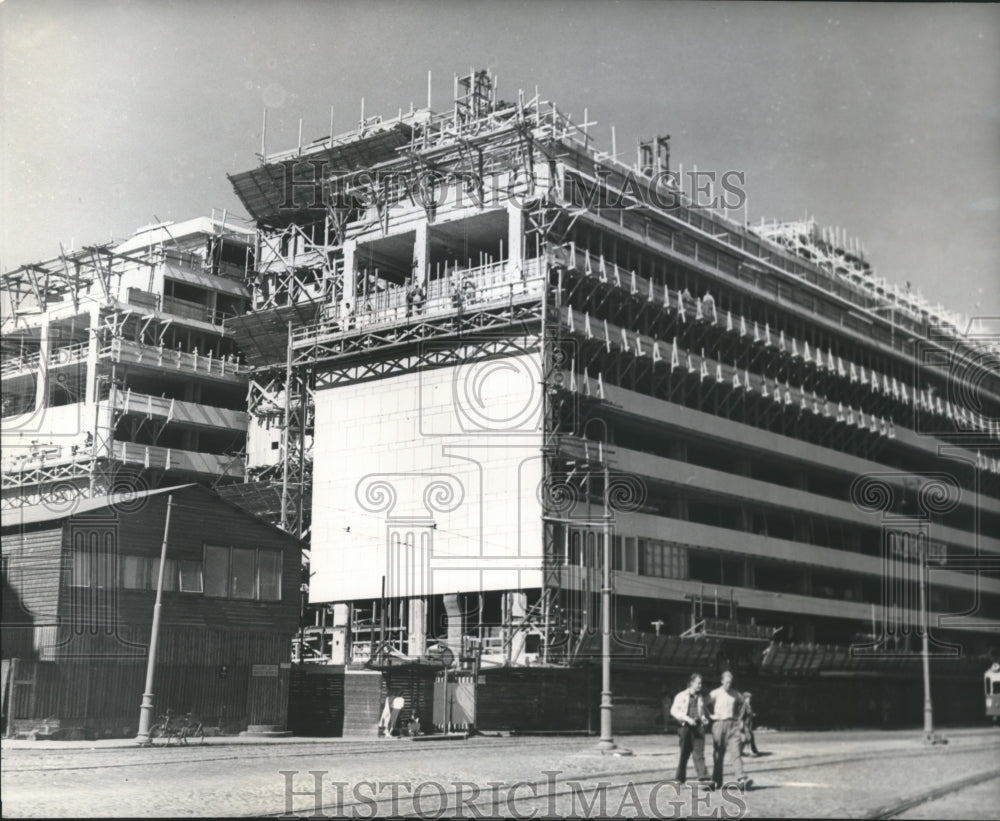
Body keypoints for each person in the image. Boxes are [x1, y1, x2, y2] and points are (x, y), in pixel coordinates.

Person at [707, 671, 752, 793]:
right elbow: (703, 704)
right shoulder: (714, 693)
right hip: (719, 725)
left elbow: (744, 705)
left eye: (730, 682)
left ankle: (741, 778)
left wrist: (740, 718)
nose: (728, 684)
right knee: (718, 753)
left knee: (736, 752)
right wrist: (710, 716)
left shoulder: (736, 694)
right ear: (721, 681)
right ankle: (717, 780)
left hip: (733, 725)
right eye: (726, 682)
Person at [669, 673, 712, 788]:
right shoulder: (681, 696)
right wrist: (687, 719)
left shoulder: (700, 697)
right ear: (691, 683)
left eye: (701, 683)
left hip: (698, 728)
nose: (700, 685)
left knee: (699, 754)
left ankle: (704, 779)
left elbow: (701, 712)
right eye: (698, 683)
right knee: (684, 754)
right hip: (685, 727)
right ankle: (680, 779)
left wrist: (704, 719)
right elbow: (673, 711)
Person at [739, 691, 760, 757]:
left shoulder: (749, 706)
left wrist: (752, 714)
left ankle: (739, 752)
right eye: (748, 698)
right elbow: (741, 716)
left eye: (750, 698)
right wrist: (740, 723)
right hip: (745, 725)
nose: (749, 699)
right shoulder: (744, 706)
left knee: (746, 739)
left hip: (749, 725)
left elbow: (749, 714)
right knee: (749, 738)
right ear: (745, 698)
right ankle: (750, 751)